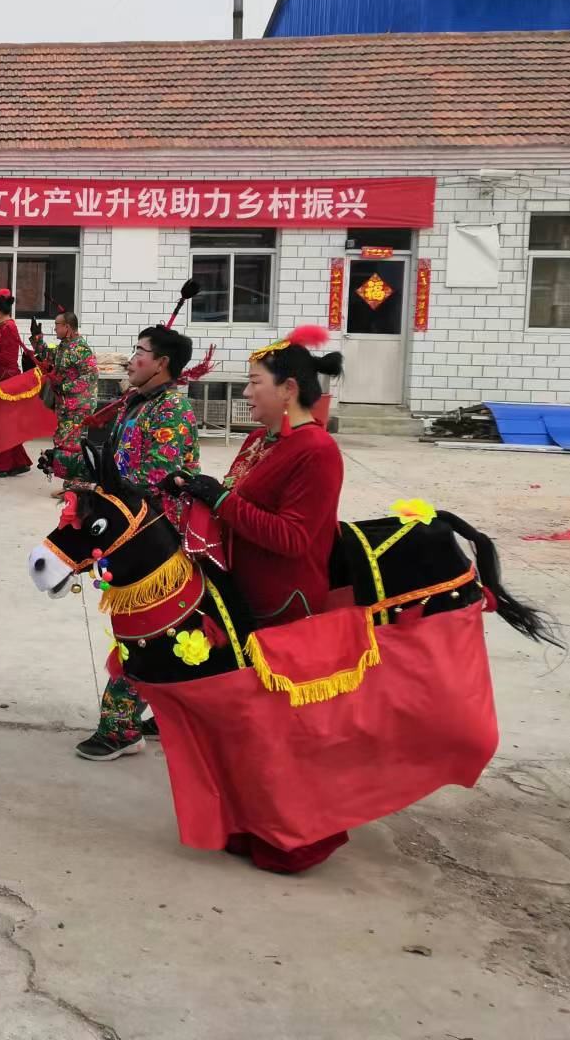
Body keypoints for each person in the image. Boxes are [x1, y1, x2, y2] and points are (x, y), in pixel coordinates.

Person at [165, 326, 348, 874]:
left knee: (282, 732)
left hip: (284, 604)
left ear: (289, 389)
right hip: (239, 593)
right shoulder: (259, 441)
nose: (246, 392)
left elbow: (293, 537)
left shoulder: (317, 451)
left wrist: (219, 499)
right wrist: (195, 492)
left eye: (254, 383)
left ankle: (298, 839)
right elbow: (233, 505)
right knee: (247, 728)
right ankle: (249, 821)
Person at [77, 323, 200, 761]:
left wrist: (98, 492)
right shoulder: (136, 402)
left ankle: (121, 727)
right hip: (128, 530)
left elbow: (155, 479)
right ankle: (173, 711)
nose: (131, 360)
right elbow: (116, 462)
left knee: (144, 632)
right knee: (159, 633)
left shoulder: (172, 410)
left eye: (139, 351)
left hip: (158, 540)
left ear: (162, 363)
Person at [30, 312, 98, 495]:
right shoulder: (64, 347)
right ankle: (72, 484)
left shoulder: (81, 349)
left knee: (69, 445)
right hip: (65, 404)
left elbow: (91, 376)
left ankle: (74, 488)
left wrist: (65, 386)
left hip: (78, 405)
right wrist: (37, 338)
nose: (55, 329)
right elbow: (46, 355)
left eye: (57, 325)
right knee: (63, 442)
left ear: (67, 327)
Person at [0, 290, 32, 478]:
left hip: (7, 380)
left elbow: (7, 358)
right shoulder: (3, 326)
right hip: (0, 378)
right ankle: (18, 462)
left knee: (1, 423)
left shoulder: (8, 328)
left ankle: (1, 465)